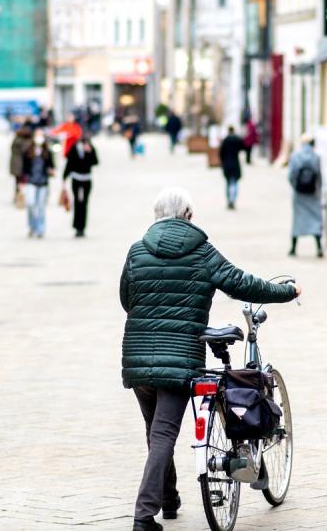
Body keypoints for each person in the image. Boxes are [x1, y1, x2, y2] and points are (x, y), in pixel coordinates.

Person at [119, 187, 301, 531]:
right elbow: (241, 284)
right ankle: (144, 516)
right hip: (180, 359)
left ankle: (169, 501)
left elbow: (127, 299)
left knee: (155, 432)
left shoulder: (137, 250)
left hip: (137, 358)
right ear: (188, 215)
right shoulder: (201, 251)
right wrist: (286, 292)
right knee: (162, 436)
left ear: (156, 215)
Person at [287, 133, 324, 258]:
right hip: (313, 193)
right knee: (316, 219)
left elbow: (291, 175)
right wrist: (319, 190)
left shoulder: (295, 155)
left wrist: (295, 187)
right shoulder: (316, 157)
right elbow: (319, 176)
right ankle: (319, 247)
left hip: (299, 194)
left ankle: (293, 248)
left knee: (298, 220)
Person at [63, 134, 99, 238]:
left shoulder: (90, 148)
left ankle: (83, 227)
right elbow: (69, 163)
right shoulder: (74, 148)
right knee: (77, 202)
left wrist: (89, 152)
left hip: (86, 179)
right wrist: (64, 177)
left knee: (84, 203)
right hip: (76, 179)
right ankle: (77, 227)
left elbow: (96, 162)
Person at [22, 129, 55, 238]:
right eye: (37, 135)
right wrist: (21, 182)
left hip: (43, 183)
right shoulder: (28, 151)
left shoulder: (47, 152)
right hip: (31, 181)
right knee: (31, 204)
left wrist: (51, 171)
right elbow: (24, 168)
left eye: (41, 135)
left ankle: (41, 229)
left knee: (41, 207)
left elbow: (52, 166)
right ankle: (32, 226)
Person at [219, 126, 245, 209]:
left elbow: (221, 153)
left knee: (227, 183)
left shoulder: (225, 140)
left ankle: (229, 200)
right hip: (235, 163)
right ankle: (233, 200)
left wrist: (222, 163)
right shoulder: (237, 139)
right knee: (234, 183)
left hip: (226, 164)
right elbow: (243, 147)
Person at [10, 121, 33, 203]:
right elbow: (24, 150)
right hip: (20, 165)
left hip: (21, 165)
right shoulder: (20, 140)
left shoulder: (19, 139)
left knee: (20, 182)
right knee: (20, 182)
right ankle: (19, 197)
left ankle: (20, 197)